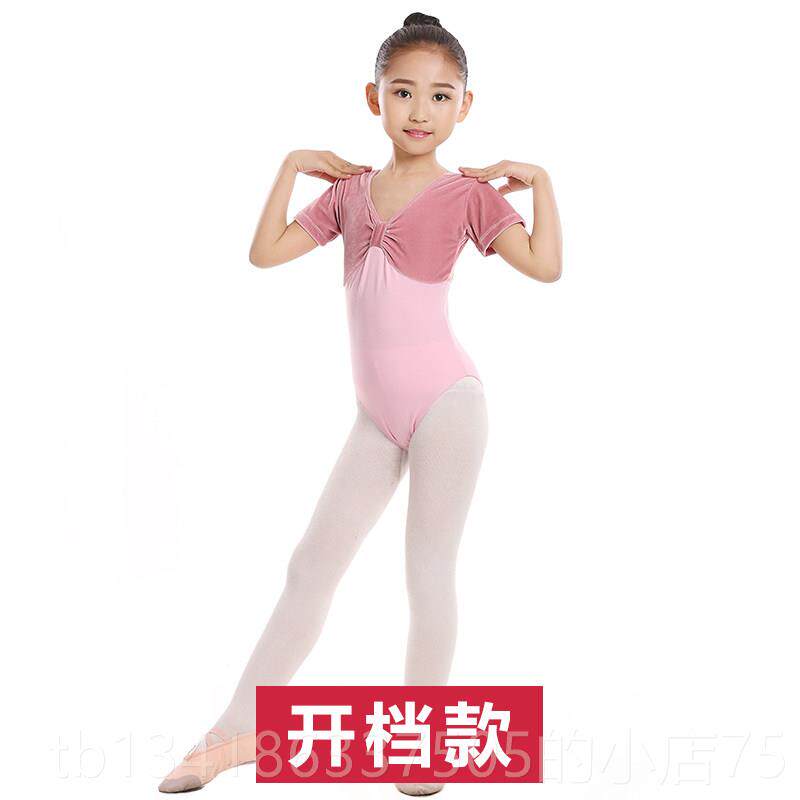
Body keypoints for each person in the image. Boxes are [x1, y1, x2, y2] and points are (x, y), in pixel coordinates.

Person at [158, 10, 562, 796]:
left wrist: (541, 181)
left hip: (448, 405)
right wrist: (291, 165)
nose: (420, 110)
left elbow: (545, 267)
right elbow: (265, 252)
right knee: (310, 564)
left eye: (440, 96)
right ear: (374, 98)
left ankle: (423, 742)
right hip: (376, 417)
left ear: (465, 106)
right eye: (403, 91)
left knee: (426, 569)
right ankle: (237, 728)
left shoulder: (468, 196)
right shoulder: (348, 194)